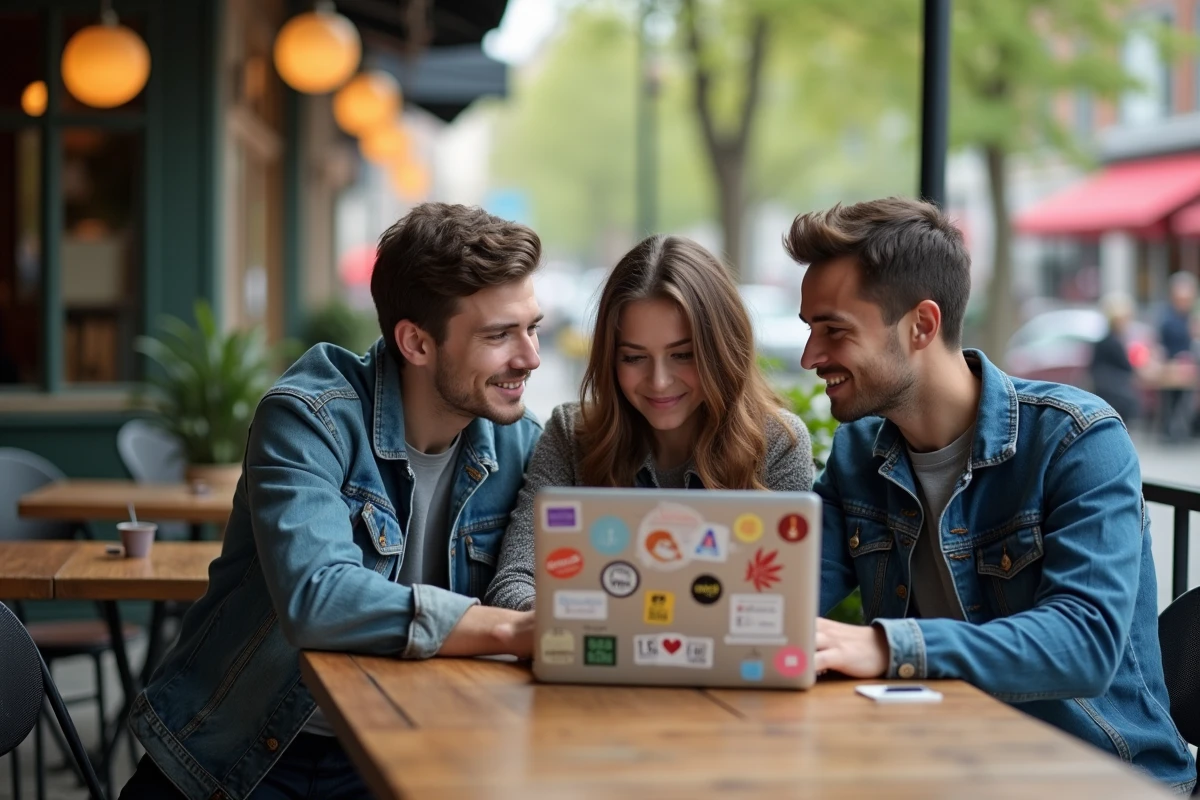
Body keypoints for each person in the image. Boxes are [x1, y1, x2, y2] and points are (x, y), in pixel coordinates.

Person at [121, 203, 545, 800]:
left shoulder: (522, 444)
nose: (530, 357)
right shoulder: (308, 417)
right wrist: (508, 629)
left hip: (401, 744)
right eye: (499, 335)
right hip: (235, 755)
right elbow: (317, 595)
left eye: (532, 328)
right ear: (416, 342)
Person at [789, 197, 1195, 792]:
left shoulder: (1076, 440)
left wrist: (888, 646)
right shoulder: (859, 454)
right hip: (947, 768)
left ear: (922, 325)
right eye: (809, 330)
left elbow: (1084, 643)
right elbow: (784, 593)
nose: (809, 356)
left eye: (834, 331)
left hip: (1103, 780)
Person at [486, 234, 813, 612]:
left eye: (683, 355)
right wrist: (571, 623)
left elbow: (788, 603)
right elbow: (514, 581)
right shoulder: (572, 434)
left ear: (722, 350)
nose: (658, 382)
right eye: (634, 358)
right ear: (610, 360)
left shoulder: (777, 443)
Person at [1157, 270, 1198, 441]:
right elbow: (1163, 343)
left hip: (1189, 366)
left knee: (1186, 399)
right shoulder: (1168, 318)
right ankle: (1170, 431)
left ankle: (1185, 429)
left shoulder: (1189, 317)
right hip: (1171, 365)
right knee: (1171, 399)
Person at [1088, 291, 1140, 425]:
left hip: (1106, 392)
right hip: (1115, 395)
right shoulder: (1113, 342)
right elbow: (1127, 367)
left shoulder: (1105, 340)